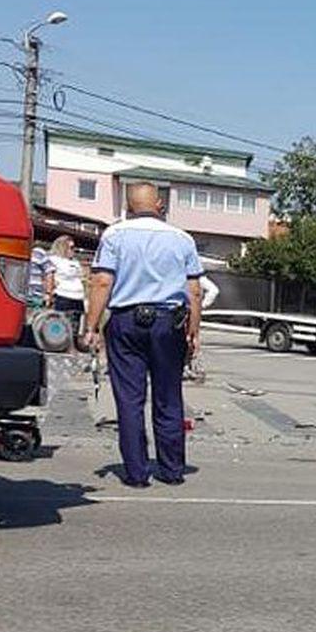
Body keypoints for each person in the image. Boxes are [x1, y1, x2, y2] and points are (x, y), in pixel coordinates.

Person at [83, 183, 203, 488]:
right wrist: (194, 331)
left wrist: (91, 327)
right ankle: (172, 470)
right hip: (169, 324)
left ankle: (137, 474)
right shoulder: (182, 239)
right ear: (160, 205)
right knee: (168, 397)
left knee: (130, 400)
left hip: (126, 323)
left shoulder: (114, 234)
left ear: (128, 206)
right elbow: (194, 291)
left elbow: (101, 282)